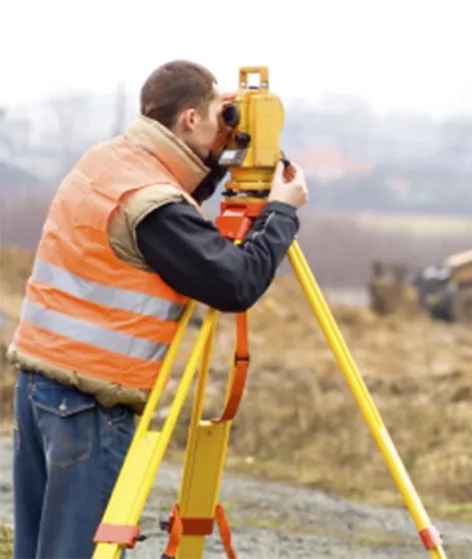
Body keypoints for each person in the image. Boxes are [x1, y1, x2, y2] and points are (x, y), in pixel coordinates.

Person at [7, 59, 308, 559]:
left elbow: (171, 212)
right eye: (220, 111)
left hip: (41, 387)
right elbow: (236, 283)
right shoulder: (153, 204)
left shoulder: (108, 162)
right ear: (190, 118)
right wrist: (281, 211)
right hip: (90, 403)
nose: (226, 122)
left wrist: (218, 162)